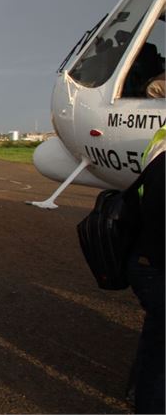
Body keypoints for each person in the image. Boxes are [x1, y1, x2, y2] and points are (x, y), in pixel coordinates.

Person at [127, 124, 165, 414]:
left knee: (156, 341)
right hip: (155, 265)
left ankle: (139, 391)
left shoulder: (159, 150)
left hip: (146, 260)